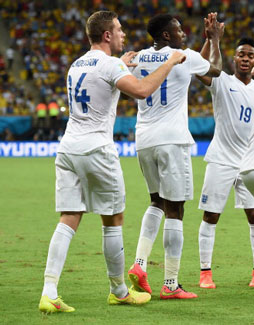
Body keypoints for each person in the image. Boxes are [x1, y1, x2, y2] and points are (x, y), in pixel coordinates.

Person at [38, 10, 186, 314]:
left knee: (69, 216)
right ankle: (119, 291)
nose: (123, 35)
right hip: (97, 149)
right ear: (107, 35)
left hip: (68, 148)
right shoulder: (110, 63)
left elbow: (104, 83)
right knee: (113, 219)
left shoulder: (76, 64)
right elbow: (143, 91)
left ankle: (48, 291)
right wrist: (171, 62)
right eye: (118, 30)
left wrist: (125, 66)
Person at [127, 13, 223, 300]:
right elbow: (213, 69)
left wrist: (206, 42)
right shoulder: (181, 55)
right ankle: (170, 283)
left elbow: (194, 66)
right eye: (178, 30)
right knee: (176, 210)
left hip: (144, 139)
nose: (183, 33)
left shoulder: (138, 57)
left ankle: (140, 264)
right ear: (166, 35)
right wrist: (215, 39)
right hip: (172, 140)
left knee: (156, 201)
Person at [195, 36, 254, 289]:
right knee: (211, 215)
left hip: (250, 161)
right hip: (221, 159)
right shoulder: (221, 80)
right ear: (234, 58)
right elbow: (199, 68)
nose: (245, 59)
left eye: (250, 55)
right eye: (241, 55)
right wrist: (212, 40)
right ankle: (205, 273)